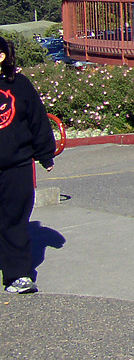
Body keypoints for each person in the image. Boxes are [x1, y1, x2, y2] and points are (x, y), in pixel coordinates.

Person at [0, 36, 56, 294]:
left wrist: (46, 154)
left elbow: (37, 119)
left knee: (14, 221)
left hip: (16, 166)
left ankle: (18, 276)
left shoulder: (20, 85)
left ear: (2, 57)